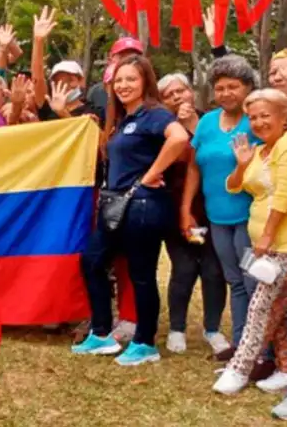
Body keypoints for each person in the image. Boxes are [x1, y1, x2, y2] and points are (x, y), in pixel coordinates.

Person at [74, 55, 189, 366]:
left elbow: (179, 137)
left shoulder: (154, 114)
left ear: (145, 82)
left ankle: (145, 342)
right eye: (119, 80)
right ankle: (101, 333)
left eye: (131, 79)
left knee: (142, 275)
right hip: (116, 206)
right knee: (92, 262)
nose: (124, 85)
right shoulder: (124, 119)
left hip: (143, 207)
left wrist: (152, 173)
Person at [183, 55, 261, 364]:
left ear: (248, 87)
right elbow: (194, 167)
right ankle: (241, 344)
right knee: (235, 281)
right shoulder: (206, 122)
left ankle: (261, 351)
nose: (226, 93)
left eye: (233, 86)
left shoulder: (256, 121)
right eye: (220, 87)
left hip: (249, 217)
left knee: (253, 282)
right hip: (217, 217)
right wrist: (185, 207)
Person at [214, 89, 287, 398]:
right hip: (264, 246)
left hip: (283, 245)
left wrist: (268, 234)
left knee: (260, 308)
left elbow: (285, 193)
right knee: (278, 311)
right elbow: (232, 187)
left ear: (284, 117)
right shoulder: (259, 151)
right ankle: (286, 369)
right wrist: (243, 164)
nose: (258, 122)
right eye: (253, 117)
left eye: (265, 115)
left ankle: (239, 368)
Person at [155, 72, 228, 356]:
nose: (177, 97)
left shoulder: (212, 121)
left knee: (213, 270)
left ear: (191, 91)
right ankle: (177, 328)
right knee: (184, 269)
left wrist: (192, 125)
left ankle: (212, 328)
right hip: (176, 209)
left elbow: (213, 156)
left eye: (181, 90)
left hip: (214, 209)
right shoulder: (162, 127)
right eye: (169, 95)